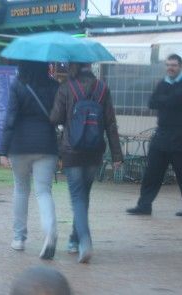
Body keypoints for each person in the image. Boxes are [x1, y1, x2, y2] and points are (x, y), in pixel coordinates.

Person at [50, 63, 123, 263]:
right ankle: (74, 239)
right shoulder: (102, 88)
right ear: (89, 66)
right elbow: (110, 122)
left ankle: (84, 240)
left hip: (72, 151)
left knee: (77, 198)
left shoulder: (66, 87)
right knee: (83, 197)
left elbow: (55, 117)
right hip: (94, 151)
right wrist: (117, 155)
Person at [127, 54, 182, 217]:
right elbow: (152, 102)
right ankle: (144, 205)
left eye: (173, 65)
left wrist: (165, 100)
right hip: (162, 133)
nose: (170, 68)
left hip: (180, 134)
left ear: (180, 66)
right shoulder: (163, 82)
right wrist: (167, 100)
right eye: (168, 65)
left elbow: (175, 100)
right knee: (152, 171)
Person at [0, 61, 59, 259]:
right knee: (43, 192)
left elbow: (10, 118)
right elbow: (58, 117)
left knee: (21, 190)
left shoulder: (18, 84)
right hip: (46, 144)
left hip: (20, 145)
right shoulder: (54, 85)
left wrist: (3, 150)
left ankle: (19, 238)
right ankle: (50, 231)